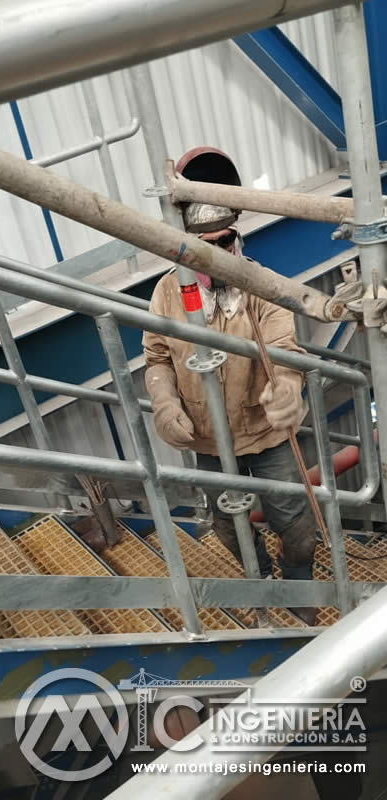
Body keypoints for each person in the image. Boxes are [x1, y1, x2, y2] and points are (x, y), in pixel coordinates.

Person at [142, 148, 316, 626]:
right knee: (226, 525)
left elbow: (286, 349)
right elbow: (156, 356)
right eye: (207, 244)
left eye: (226, 240)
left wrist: (286, 388)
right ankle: (259, 580)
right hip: (208, 439)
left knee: (297, 522)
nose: (219, 253)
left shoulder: (261, 285)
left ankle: (299, 591)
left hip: (265, 433)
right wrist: (163, 400)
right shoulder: (165, 292)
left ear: (236, 232)